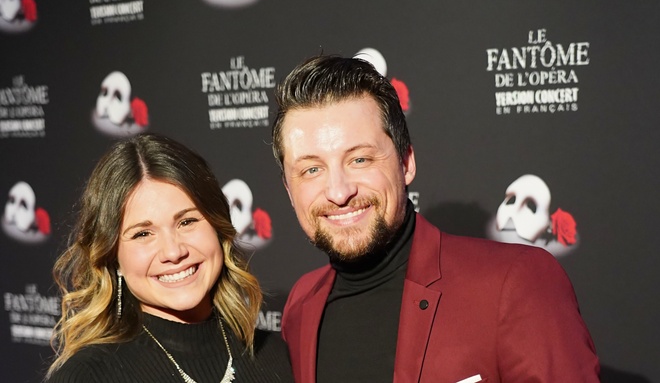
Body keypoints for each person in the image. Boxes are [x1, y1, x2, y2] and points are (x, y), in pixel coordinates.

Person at [271, 55, 600, 382]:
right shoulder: (300, 306)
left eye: (359, 159)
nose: (339, 192)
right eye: (311, 169)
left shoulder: (515, 283)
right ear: (289, 189)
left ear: (406, 163)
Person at [47, 134, 293, 383]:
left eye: (187, 222)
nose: (174, 252)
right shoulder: (85, 376)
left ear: (218, 227)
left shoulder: (273, 355)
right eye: (143, 233)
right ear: (113, 256)